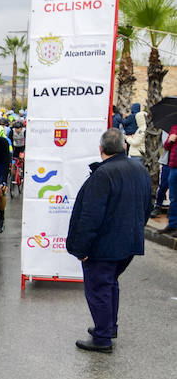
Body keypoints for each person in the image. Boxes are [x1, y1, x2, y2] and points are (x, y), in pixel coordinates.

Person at [66, 128, 150, 353]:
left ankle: (103, 338)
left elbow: (90, 216)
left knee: (99, 288)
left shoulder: (103, 174)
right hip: (129, 243)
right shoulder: (139, 168)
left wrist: (81, 248)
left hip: (105, 246)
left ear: (101, 149)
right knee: (110, 283)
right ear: (124, 147)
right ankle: (108, 327)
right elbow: (147, 207)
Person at [153, 123, 177, 218]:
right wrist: (171, 140)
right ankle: (158, 206)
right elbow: (166, 145)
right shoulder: (170, 128)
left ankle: (172, 212)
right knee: (163, 185)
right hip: (168, 161)